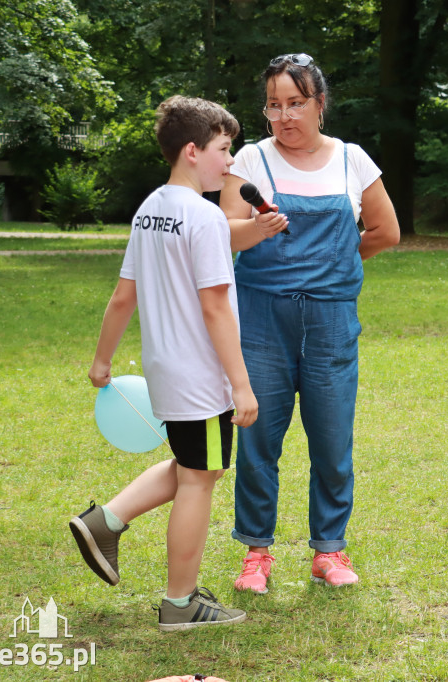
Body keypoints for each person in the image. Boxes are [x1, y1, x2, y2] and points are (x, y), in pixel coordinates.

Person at [69, 95, 259, 631]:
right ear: (193, 150)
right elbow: (216, 305)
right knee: (202, 477)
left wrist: (102, 360)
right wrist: (241, 387)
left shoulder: (150, 207)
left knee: (191, 464)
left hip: (165, 371)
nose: (230, 163)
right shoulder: (204, 218)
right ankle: (181, 603)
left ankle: (105, 520)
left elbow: (121, 296)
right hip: (201, 378)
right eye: (224, 150)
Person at [218, 53, 399, 594]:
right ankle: (256, 553)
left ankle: (330, 550)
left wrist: (336, 264)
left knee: (331, 439)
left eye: (296, 103)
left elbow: (385, 232)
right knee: (257, 440)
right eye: (274, 105)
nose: (284, 115)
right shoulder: (250, 160)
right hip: (260, 320)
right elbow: (225, 232)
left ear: (320, 104)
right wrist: (260, 230)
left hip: (331, 321)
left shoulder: (353, 160)